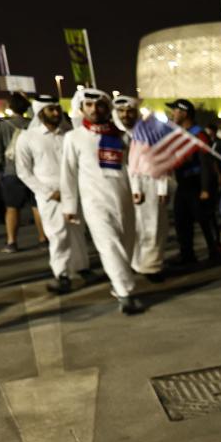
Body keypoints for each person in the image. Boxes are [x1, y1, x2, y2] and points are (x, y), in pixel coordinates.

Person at [60, 89, 144, 314]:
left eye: (99, 106)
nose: (94, 110)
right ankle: (126, 294)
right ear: (81, 108)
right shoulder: (74, 137)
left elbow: (133, 167)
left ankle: (119, 285)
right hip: (94, 202)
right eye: (88, 105)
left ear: (107, 109)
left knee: (126, 245)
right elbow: (67, 173)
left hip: (124, 197)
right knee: (109, 246)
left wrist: (137, 189)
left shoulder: (121, 136)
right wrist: (69, 206)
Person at [15, 95, 90, 293]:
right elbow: (23, 172)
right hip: (50, 195)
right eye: (51, 110)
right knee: (57, 234)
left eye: (57, 109)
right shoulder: (27, 137)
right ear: (40, 113)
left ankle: (82, 268)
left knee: (77, 231)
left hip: (74, 191)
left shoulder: (68, 134)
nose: (56, 113)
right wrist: (48, 192)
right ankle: (62, 273)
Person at [115, 96, 169, 281]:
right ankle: (134, 263)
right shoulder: (112, 134)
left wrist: (163, 188)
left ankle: (151, 266)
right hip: (122, 185)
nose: (125, 115)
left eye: (129, 111)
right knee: (130, 228)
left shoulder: (149, 132)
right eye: (121, 111)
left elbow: (162, 159)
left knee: (154, 226)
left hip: (150, 185)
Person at [167, 98, 220, 265]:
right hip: (184, 184)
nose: (172, 113)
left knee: (205, 220)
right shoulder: (179, 133)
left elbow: (206, 163)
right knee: (181, 219)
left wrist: (205, 189)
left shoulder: (198, 134)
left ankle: (214, 252)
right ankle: (187, 254)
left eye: (175, 110)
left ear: (184, 113)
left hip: (198, 183)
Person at [0, 92, 46, 253]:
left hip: (11, 171)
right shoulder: (33, 124)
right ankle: (43, 238)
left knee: (12, 207)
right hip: (33, 170)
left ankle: (11, 242)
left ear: (10, 107)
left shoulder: (1, 126)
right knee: (36, 206)